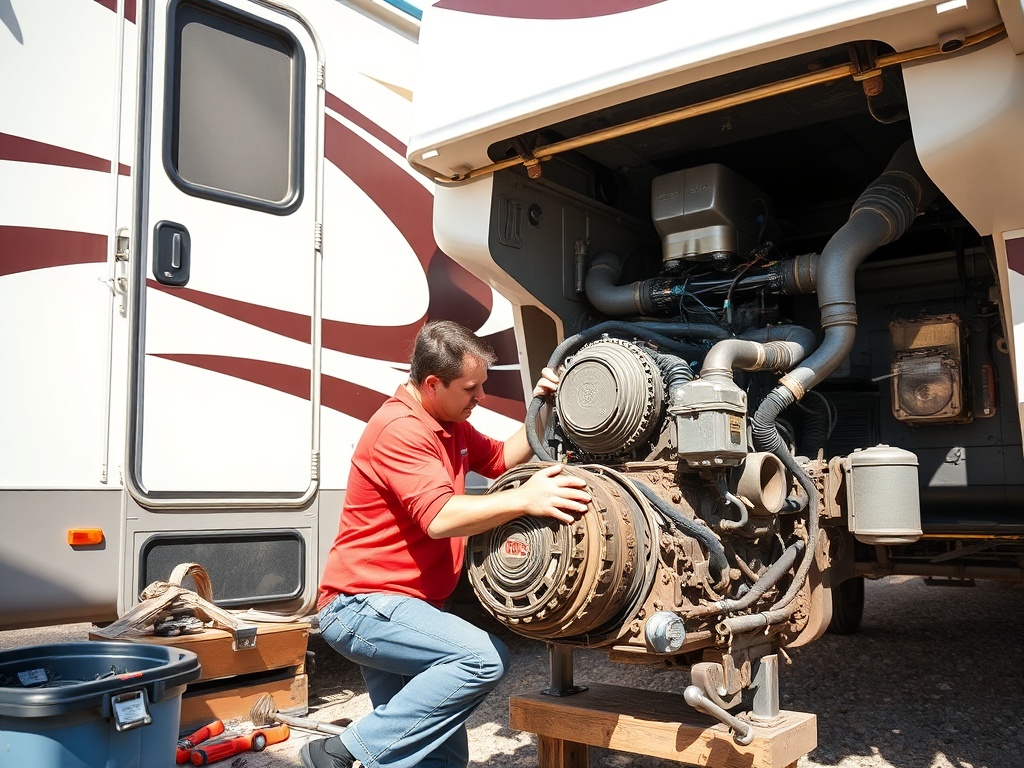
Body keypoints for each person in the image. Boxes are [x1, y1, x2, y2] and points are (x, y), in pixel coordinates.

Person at [302, 320, 592, 768]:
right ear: (433, 383)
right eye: (471, 389)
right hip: (363, 608)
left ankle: (361, 752)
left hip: (406, 611)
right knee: (481, 659)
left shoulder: (447, 422)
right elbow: (439, 518)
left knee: (436, 756)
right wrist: (528, 498)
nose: (480, 399)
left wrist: (544, 403)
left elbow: (499, 459)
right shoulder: (400, 428)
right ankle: (337, 751)